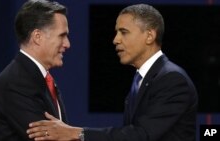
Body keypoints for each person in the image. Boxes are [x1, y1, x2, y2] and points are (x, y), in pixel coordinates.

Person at [26, 4, 198, 141]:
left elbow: (142, 135)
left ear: (149, 36)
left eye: (124, 32)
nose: (115, 40)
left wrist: (75, 133)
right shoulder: (142, 79)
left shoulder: (172, 80)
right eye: (116, 32)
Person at [0, 0, 70, 140]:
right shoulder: (15, 83)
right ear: (37, 37)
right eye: (62, 36)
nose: (67, 44)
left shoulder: (38, 78)